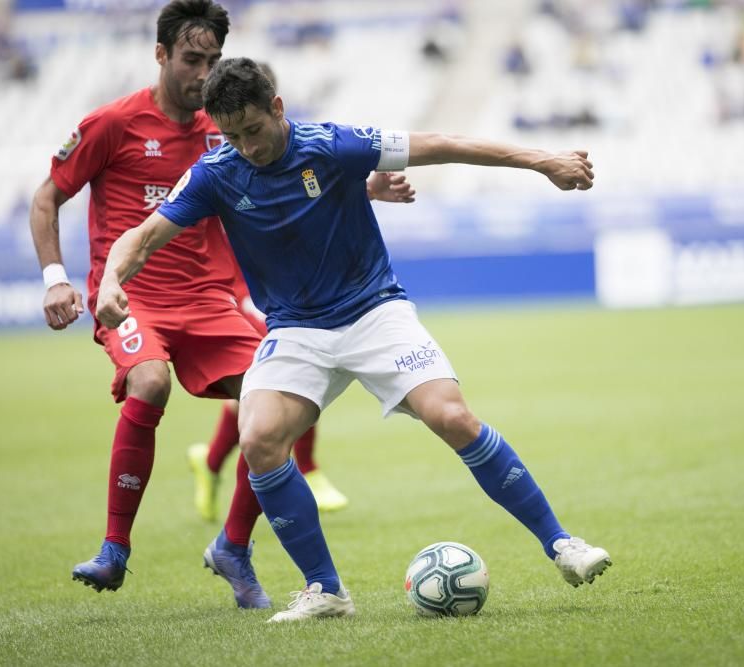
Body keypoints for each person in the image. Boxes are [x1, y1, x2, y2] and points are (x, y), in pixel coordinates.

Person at [96, 57, 612, 622]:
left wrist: (544, 161)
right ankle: (326, 591)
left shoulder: (332, 145)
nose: (247, 146)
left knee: (453, 417)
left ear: (277, 108)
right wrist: (110, 282)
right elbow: (141, 237)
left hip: (374, 313)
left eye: (254, 130)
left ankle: (563, 545)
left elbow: (440, 143)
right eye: (233, 136)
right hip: (296, 330)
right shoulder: (216, 173)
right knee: (261, 437)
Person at [28, 0, 413, 610]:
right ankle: (114, 549)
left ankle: (233, 545)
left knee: (279, 410)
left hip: (209, 299)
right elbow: (47, 197)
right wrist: (56, 277)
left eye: (211, 61)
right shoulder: (111, 124)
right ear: (161, 55)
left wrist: (368, 186)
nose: (202, 74)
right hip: (136, 300)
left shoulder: (230, 124)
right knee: (150, 382)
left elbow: (301, 169)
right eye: (190, 59)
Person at [186, 60, 358, 522]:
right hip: (237, 284)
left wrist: (374, 188)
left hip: (275, 279)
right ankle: (308, 467)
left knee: (262, 387)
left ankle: (213, 459)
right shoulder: (218, 162)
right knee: (288, 372)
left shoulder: (284, 149)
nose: (251, 140)